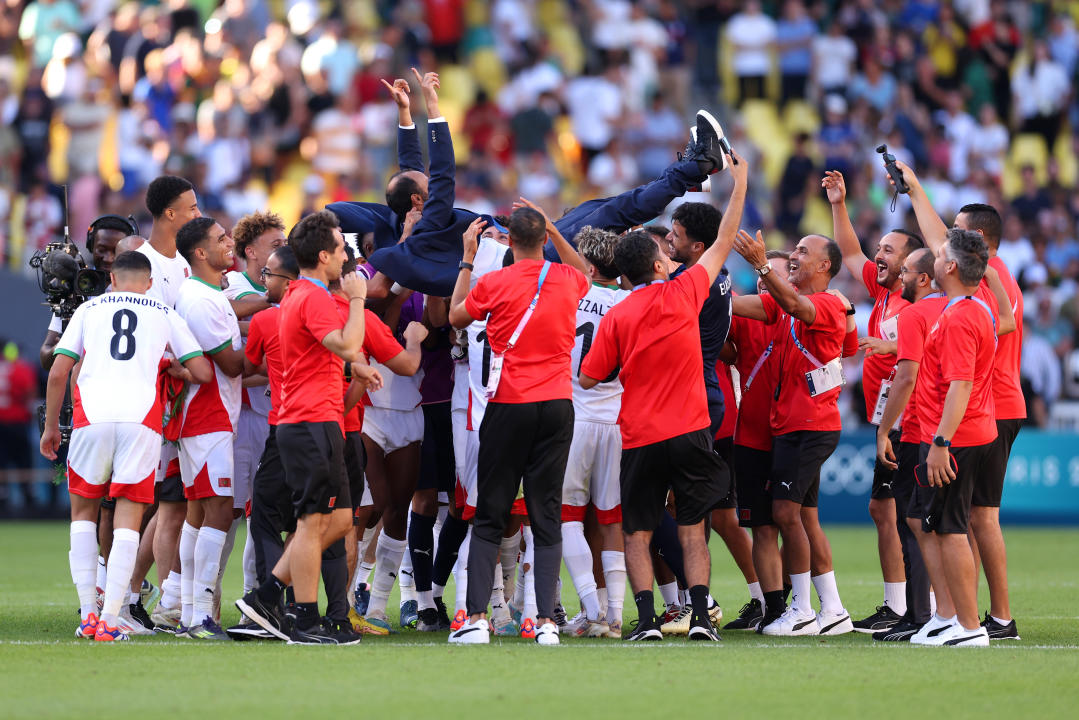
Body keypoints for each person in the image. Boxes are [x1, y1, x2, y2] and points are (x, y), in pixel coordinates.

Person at [331, 70, 729, 298]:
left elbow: (411, 170)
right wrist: (432, 110)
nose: (430, 187)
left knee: (601, 206)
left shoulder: (411, 215)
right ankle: (699, 166)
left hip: (519, 249)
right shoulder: (426, 224)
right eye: (424, 189)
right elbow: (441, 172)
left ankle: (693, 169)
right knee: (613, 211)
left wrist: (405, 113)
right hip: (527, 262)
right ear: (419, 200)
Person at [580, 148, 747, 642]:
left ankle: (649, 621)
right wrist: (739, 184)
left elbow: (589, 379)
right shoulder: (686, 290)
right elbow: (721, 238)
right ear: (658, 262)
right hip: (692, 429)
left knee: (638, 532)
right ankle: (700, 618)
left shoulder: (617, 316)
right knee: (694, 528)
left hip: (640, 436)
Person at [40, 250, 211, 641]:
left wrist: (51, 427)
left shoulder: (89, 309)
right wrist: (172, 366)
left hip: (91, 420)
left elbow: (58, 371)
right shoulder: (163, 312)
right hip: (141, 422)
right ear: (149, 283)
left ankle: (87, 614)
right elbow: (201, 371)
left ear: (112, 280)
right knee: (128, 522)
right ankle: (112, 620)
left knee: (83, 515)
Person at [891, 159, 1025, 640]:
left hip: (984, 410)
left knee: (974, 518)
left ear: (977, 246)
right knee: (956, 519)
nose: (942, 240)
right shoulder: (971, 290)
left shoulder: (989, 283)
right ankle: (959, 616)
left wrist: (941, 436)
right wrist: (913, 187)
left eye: (954, 235)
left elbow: (996, 328)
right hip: (979, 408)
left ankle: (991, 618)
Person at [446, 206, 590, 646]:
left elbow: (455, 316)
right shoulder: (566, 279)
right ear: (544, 239)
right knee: (546, 515)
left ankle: (475, 619)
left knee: (491, 512)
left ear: (508, 242)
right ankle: (546, 622)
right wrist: (553, 229)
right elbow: (583, 269)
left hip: (509, 404)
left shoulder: (493, 282)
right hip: (557, 405)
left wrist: (468, 257)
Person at [237, 209, 367, 645]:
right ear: (325, 255)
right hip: (310, 420)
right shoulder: (311, 297)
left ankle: (269, 593)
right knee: (312, 523)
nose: (347, 253)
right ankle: (306, 620)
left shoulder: (299, 294)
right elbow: (349, 345)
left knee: (342, 518)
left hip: (313, 419)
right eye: (341, 246)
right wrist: (357, 299)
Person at [731, 227, 854, 637]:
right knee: (804, 516)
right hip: (794, 424)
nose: (796, 255)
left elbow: (797, 305)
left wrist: (762, 265)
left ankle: (800, 609)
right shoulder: (791, 307)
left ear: (824, 266)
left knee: (784, 513)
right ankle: (833, 609)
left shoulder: (827, 305)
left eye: (803, 251)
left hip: (808, 425)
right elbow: (735, 305)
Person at [822, 169, 925, 633]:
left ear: (911, 264)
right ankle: (901, 604)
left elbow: (920, 357)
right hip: (888, 418)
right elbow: (847, 252)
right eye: (880, 248)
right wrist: (839, 203)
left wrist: (897, 349)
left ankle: (917, 607)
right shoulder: (886, 293)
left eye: (888, 249)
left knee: (907, 513)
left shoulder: (917, 303)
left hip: (909, 422)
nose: (877, 255)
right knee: (886, 510)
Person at [909, 229, 998, 647]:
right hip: (964, 432)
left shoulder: (962, 316)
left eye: (940, 252)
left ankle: (969, 626)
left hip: (955, 437)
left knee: (951, 528)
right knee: (944, 527)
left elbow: (960, 384)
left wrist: (940, 443)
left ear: (949, 268)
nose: (933, 254)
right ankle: (950, 618)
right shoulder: (970, 308)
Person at [173, 216, 246, 641]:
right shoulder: (201, 299)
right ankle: (199, 614)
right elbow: (233, 364)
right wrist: (277, 339)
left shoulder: (203, 291)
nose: (229, 243)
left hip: (204, 414)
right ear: (200, 253)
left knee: (199, 514)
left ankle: (187, 612)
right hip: (208, 413)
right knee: (218, 509)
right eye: (221, 239)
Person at [137, 175, 201, 633]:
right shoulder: (139, 263)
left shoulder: (183, 262)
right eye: (192, 208)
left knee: (171, 503)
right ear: (170, 214)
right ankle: (166, 603)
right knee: (169, 503)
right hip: (155, 398)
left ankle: (131, 593)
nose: (198, 214)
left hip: (184, 395)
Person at [558, 226, 629, 639]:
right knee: (611, 518)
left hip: (577, 416)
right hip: (618, 418)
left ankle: (590, 610)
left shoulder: (574, 292)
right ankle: (615, 614)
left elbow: (575, 269)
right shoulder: (629, 299)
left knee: (567, 516)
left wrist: (551, 228)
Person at [872, 247, 945, 641]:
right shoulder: (958, 309)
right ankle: (944, 613)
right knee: (948, 526)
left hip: (918, 431)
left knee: (914, 523)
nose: (899, 277)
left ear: (924, 278)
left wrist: (885, 430)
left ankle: (920, 615)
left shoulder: (915, 314)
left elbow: (906, 377)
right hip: (950, 431)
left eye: (906, 271)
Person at [724, 249, 791, 631]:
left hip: (792, 434)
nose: (765, 281)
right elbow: (725, 345)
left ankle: (807, 604)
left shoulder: (799, 313)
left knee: (796, 523)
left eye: (775, 274)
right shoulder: (744, 314)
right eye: (762, 277)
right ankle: (775, 608)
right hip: (750, 434)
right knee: (762, 526)